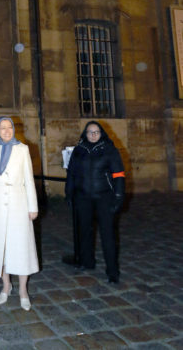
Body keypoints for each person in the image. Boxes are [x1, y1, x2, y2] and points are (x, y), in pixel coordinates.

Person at [0, 117, 39, 310]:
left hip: (19, 205)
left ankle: (23, 290)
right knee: (1, 248)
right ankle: (6, 286)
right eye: (2, 128)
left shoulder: (22, 149)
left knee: (21, 248)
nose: (6, 131)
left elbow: (29, 180)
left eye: (9, 128)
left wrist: (33, 207)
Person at [65, 121, 125, 283]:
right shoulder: (79, 150)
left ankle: (112, 272)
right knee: (85, 232)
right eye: (90, 132)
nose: (93, 135)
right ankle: (87, 261)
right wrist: (69, 193)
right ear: (85, 133)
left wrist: (119, 196)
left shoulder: (109, 150)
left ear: (101, 133)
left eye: (96, 132)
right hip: (83, 197)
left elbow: (118, 174)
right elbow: (71, 173)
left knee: (108, 235)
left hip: (104, 198)